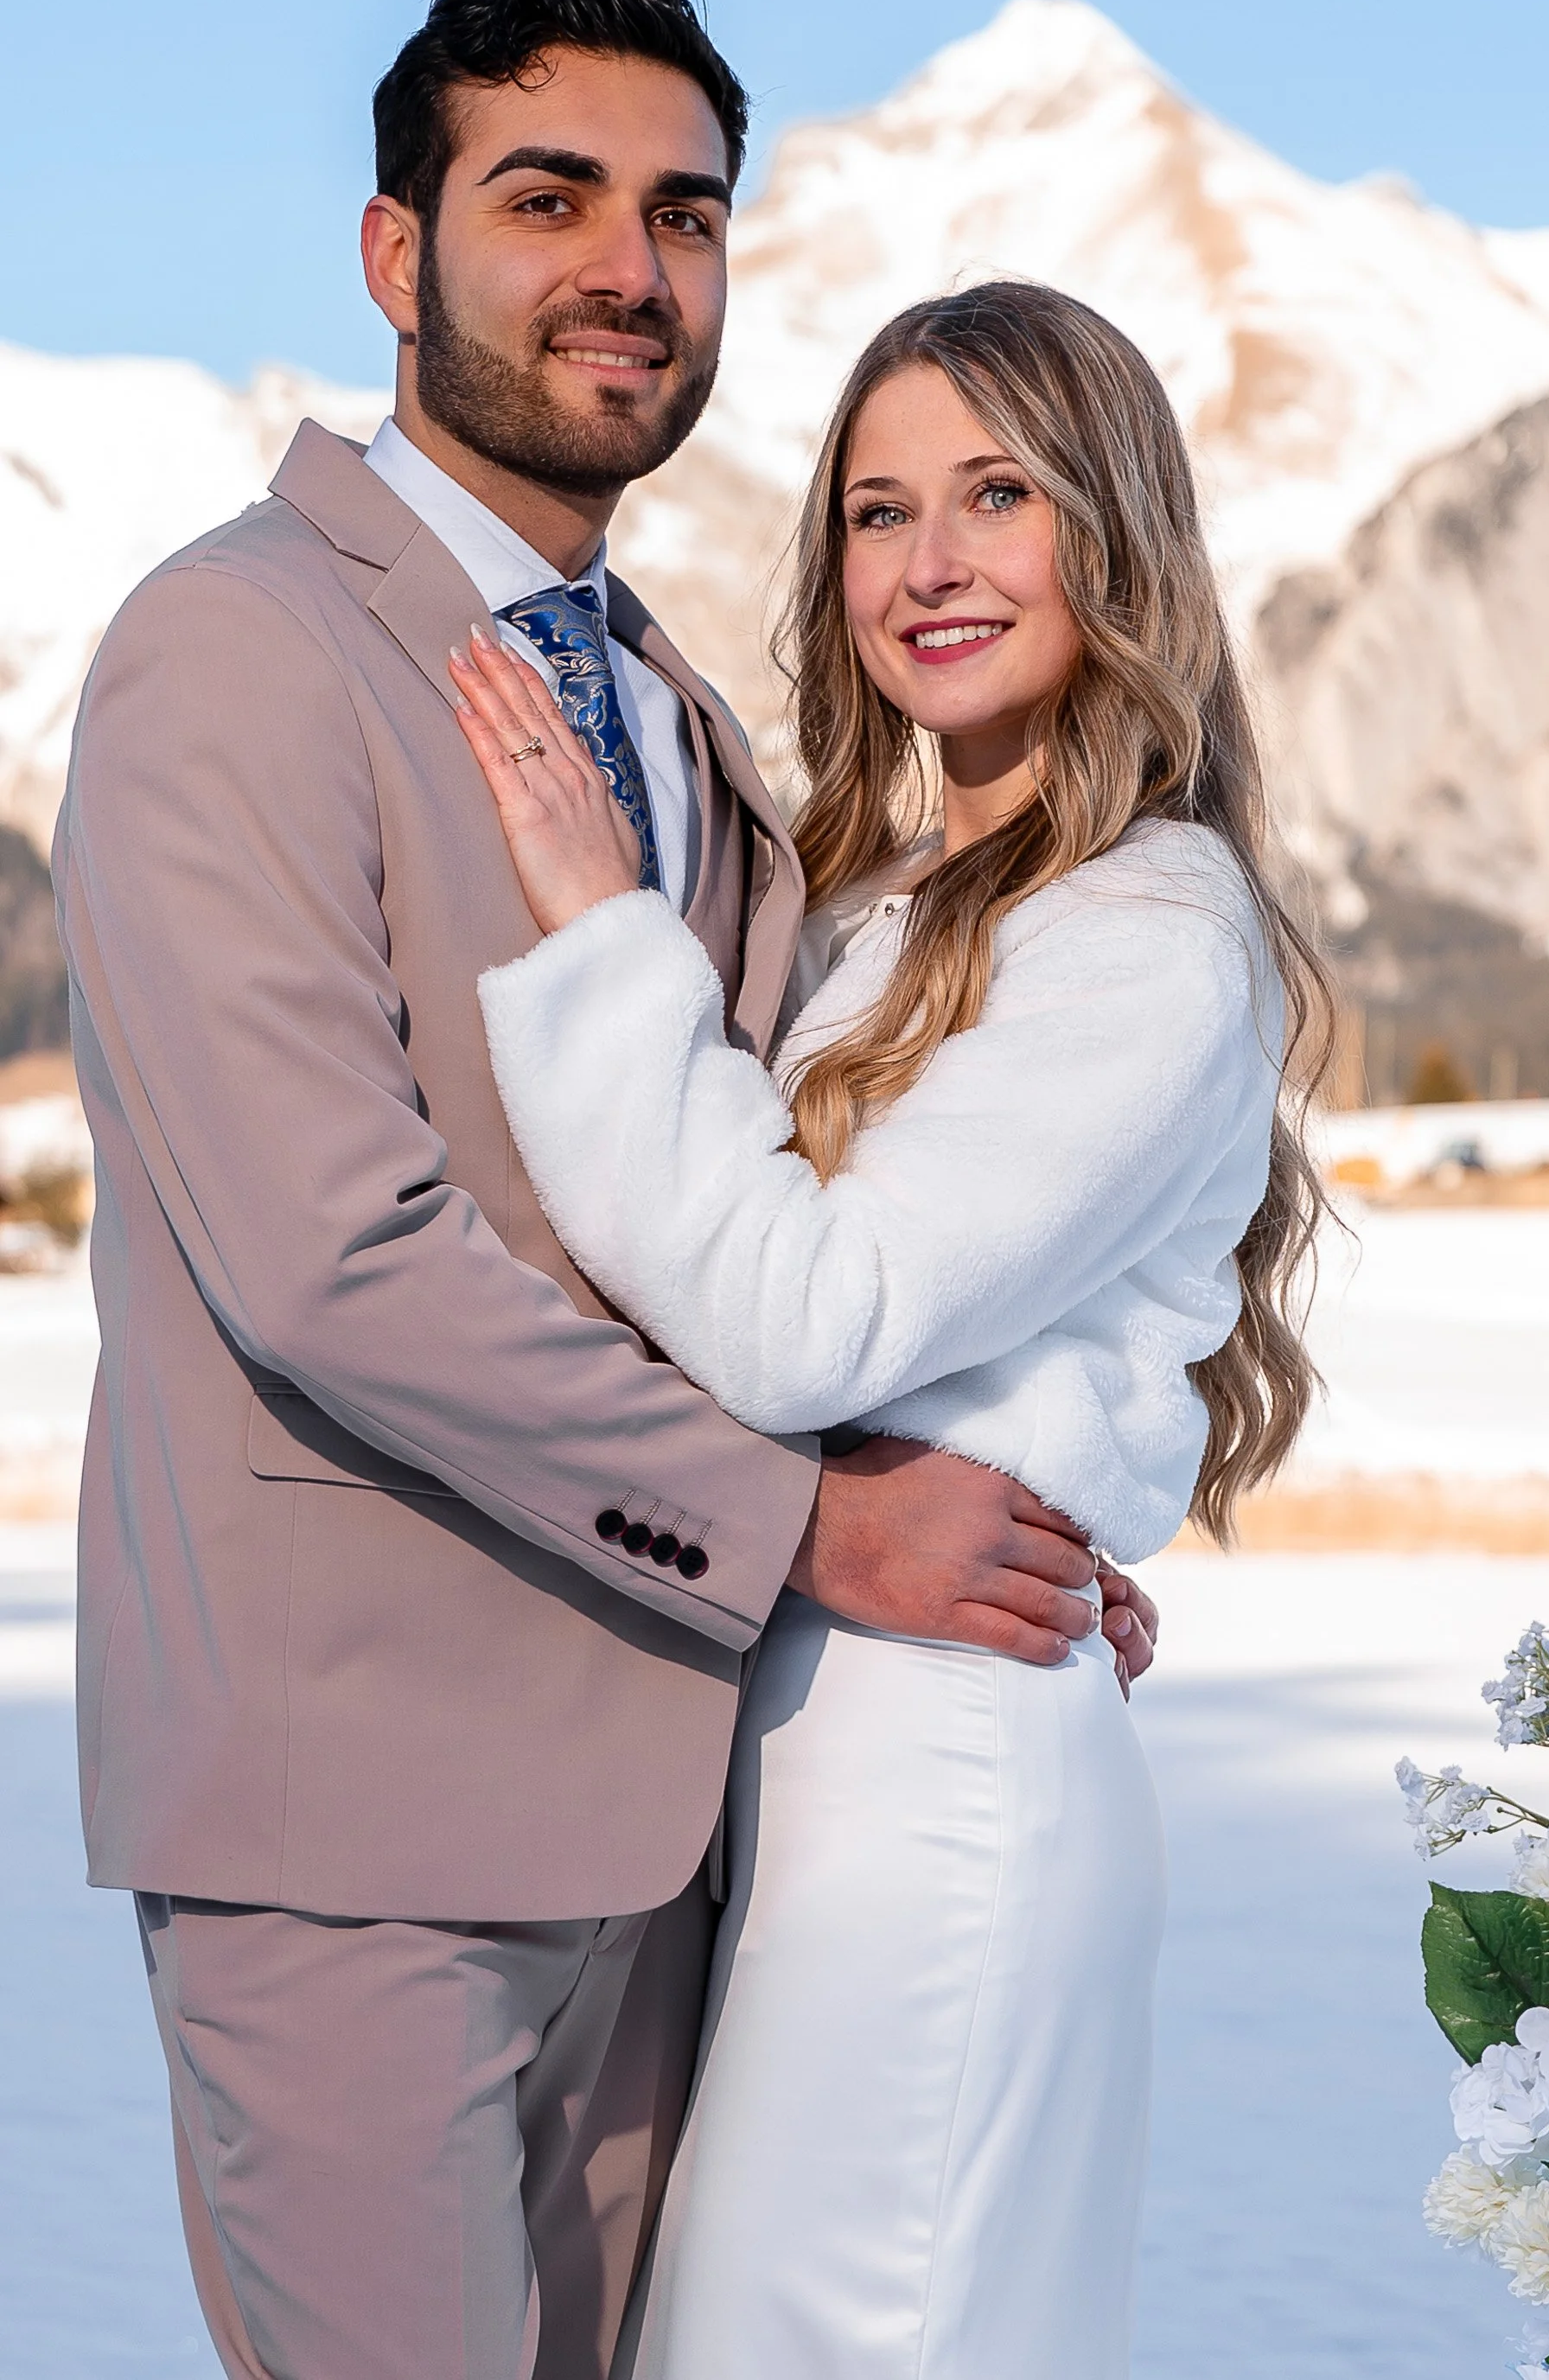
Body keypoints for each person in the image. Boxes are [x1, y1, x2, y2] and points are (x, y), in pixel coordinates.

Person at [54, 0, 1157, 2380]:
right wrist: (807, 1521)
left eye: (683, 210)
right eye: (545, 196)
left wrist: (988, 1479)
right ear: (391, 251)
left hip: (672, 1820)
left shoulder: (665, 699)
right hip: (354, 1836)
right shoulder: (231, 654)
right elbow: (330, 1257)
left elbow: (745, 1211)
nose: (626, 269)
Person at [451, 276, 1331, 2378]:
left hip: (942, 1795)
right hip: (819, 1769)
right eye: (874, 509)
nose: (926, 564)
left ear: (1111, 537)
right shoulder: (889, 904)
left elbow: (794, 1317)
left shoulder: (1145, 935)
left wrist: (598, 946)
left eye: (996, 494)